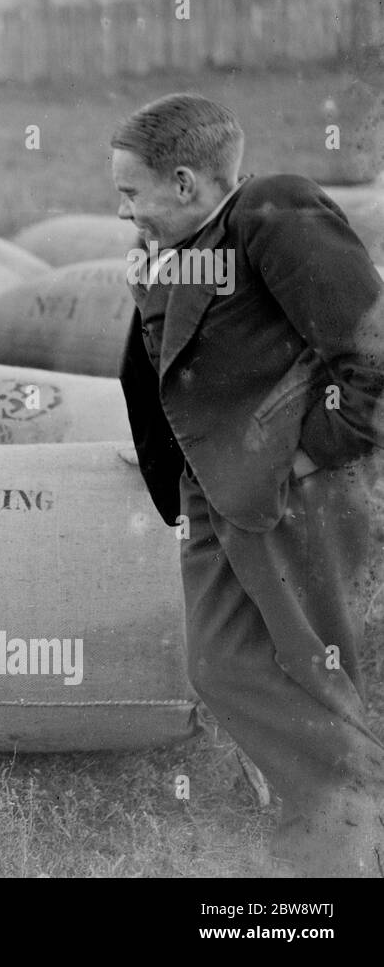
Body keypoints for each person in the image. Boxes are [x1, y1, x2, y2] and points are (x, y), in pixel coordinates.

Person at [112, 92, 384, 877]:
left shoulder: (275, 209)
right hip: (215, 492)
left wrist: (302, 458)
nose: (125, 210)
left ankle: (337, 845)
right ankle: (341, 819)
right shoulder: (184, 245)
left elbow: (369, 357)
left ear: (187, 180)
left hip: (294, 493)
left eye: (133, 192)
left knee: (318, 671)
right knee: (223, 666)